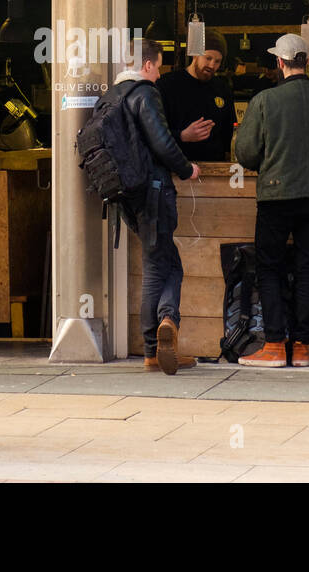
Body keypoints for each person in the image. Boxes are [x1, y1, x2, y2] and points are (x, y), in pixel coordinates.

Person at [233, 34, 309, 368]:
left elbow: (247, 154)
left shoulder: (265, 101)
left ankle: (275, 345)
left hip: (277, 195)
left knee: (270, 267)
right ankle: (303, 348)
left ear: (278, 63)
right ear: (306, 62)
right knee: (305, 266)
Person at [111, 39, 202, 374]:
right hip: (153, 191)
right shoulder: (145, 93)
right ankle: (160, 334)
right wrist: (186, 168)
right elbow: (162, 142)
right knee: (161, 266)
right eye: (159, 66)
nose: (159, 73)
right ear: (148, 65)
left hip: (126, 195)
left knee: (162, 260)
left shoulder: (112, 96)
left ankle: (160, 338)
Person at [156, 30, 235, 162]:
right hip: (176, 167)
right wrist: (182, 135)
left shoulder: (222, 89)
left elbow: (228, 131)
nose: (212, 65)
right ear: (195, 55)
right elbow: (153, 132)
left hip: (214, 168)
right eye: (208, 58)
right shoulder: (167, 85)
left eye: (217, 61)